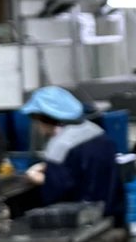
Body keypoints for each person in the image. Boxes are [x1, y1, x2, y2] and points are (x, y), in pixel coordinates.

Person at [19, 86, 125, 225]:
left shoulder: (60, 145)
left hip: (85, 221)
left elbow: (57, 193)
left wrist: (38, 178)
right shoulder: (96, 131)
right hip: (113, 215)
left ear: (43, 118)